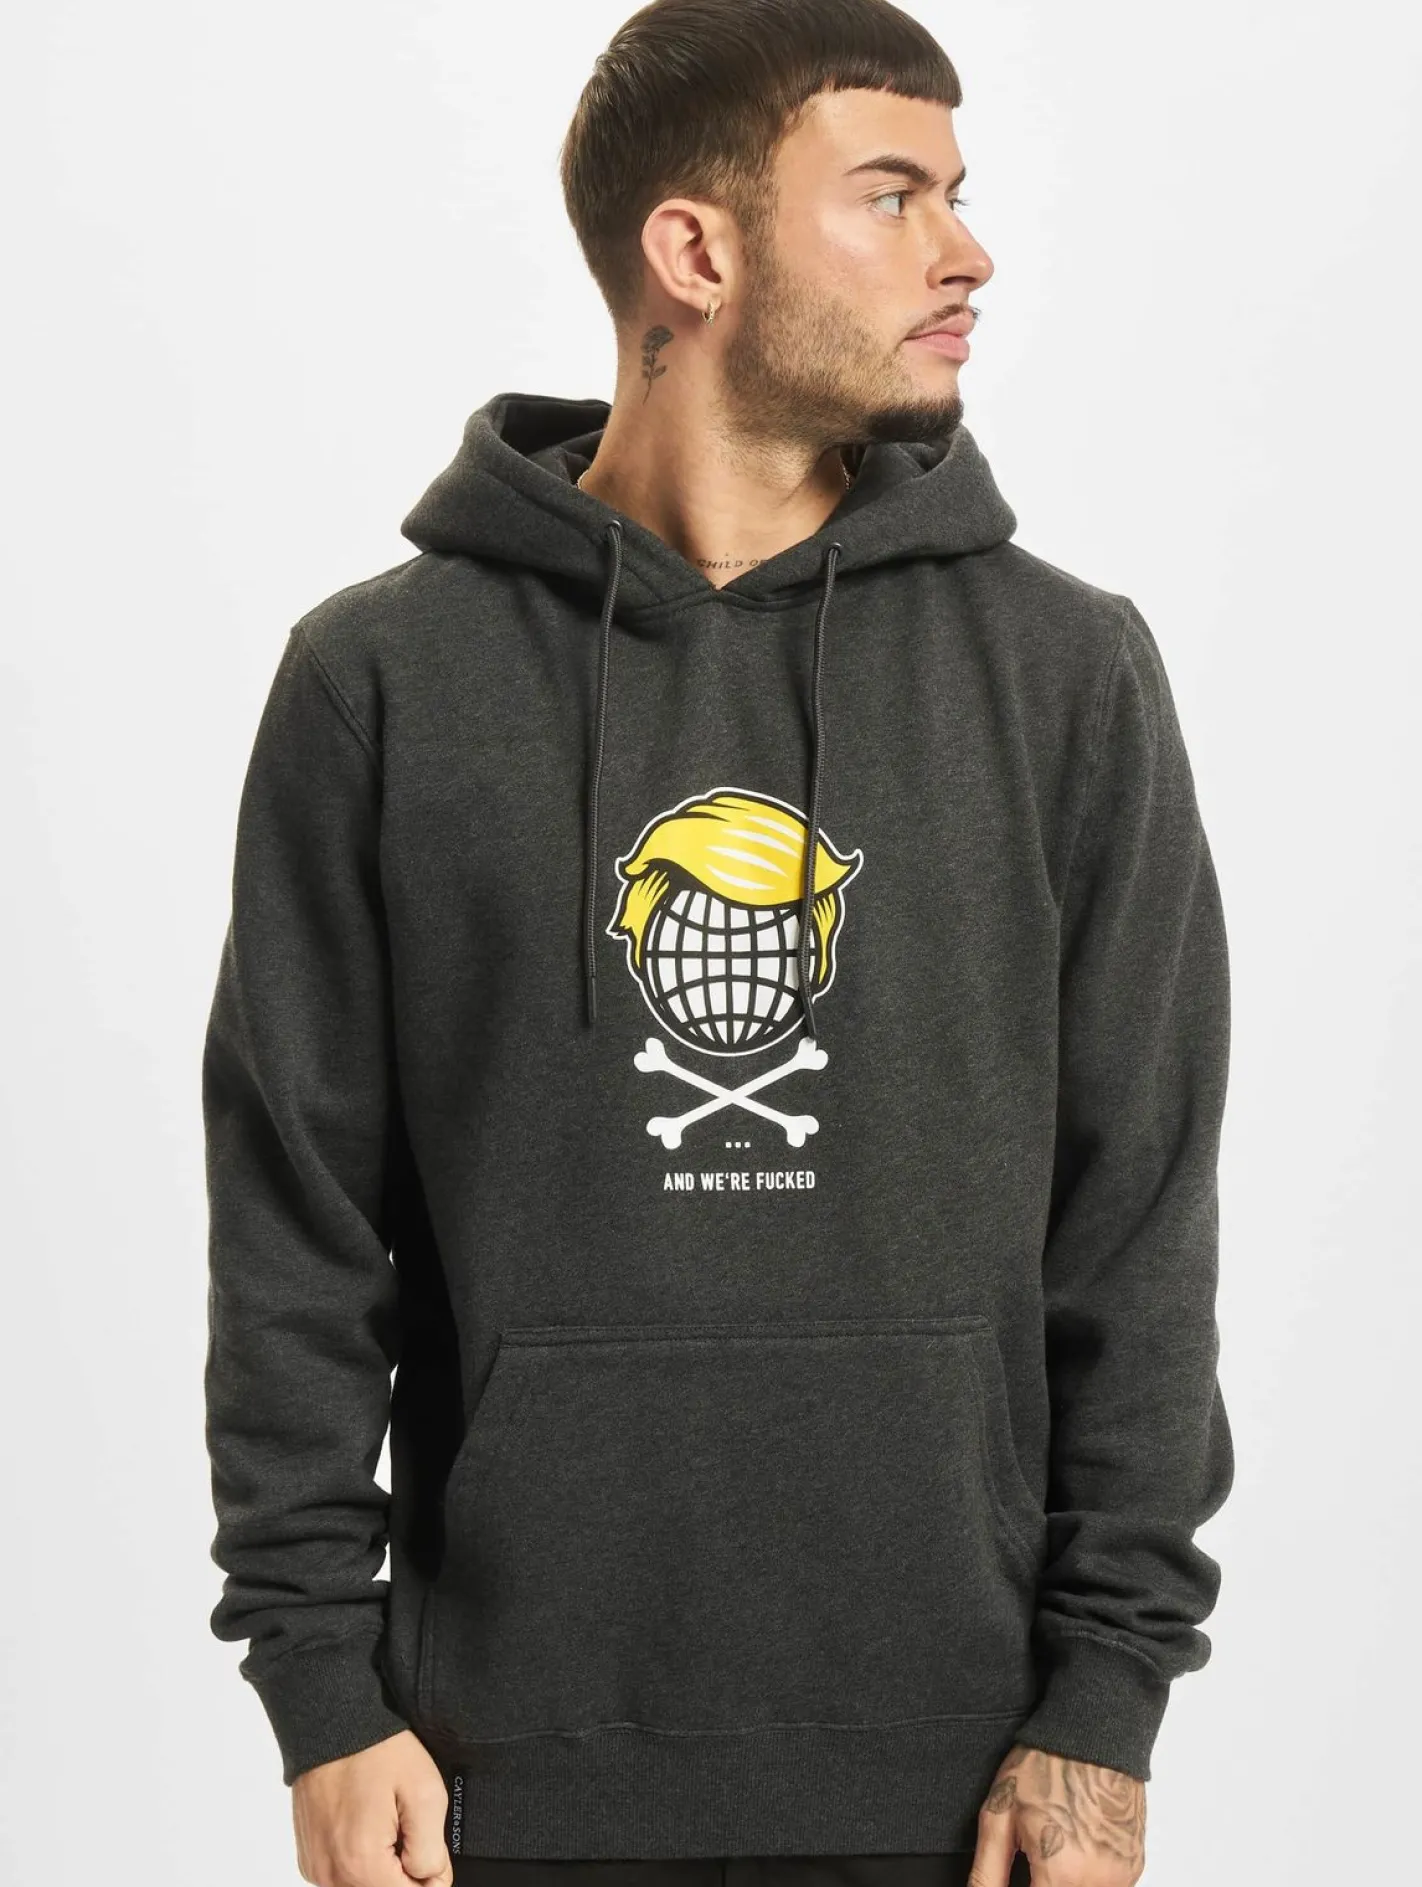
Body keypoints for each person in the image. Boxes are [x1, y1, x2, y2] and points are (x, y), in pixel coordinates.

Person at [201, 2, 1234, 1883]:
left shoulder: (1064, 674)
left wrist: (1104, 1703)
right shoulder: (383, 681)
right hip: (490, 1768)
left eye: (958, 193)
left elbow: (1138, 1217)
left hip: (969, 1779)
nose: (966, 252)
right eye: (892, 195)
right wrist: (320, 1690)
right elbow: (294, 1215)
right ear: (695, 248)